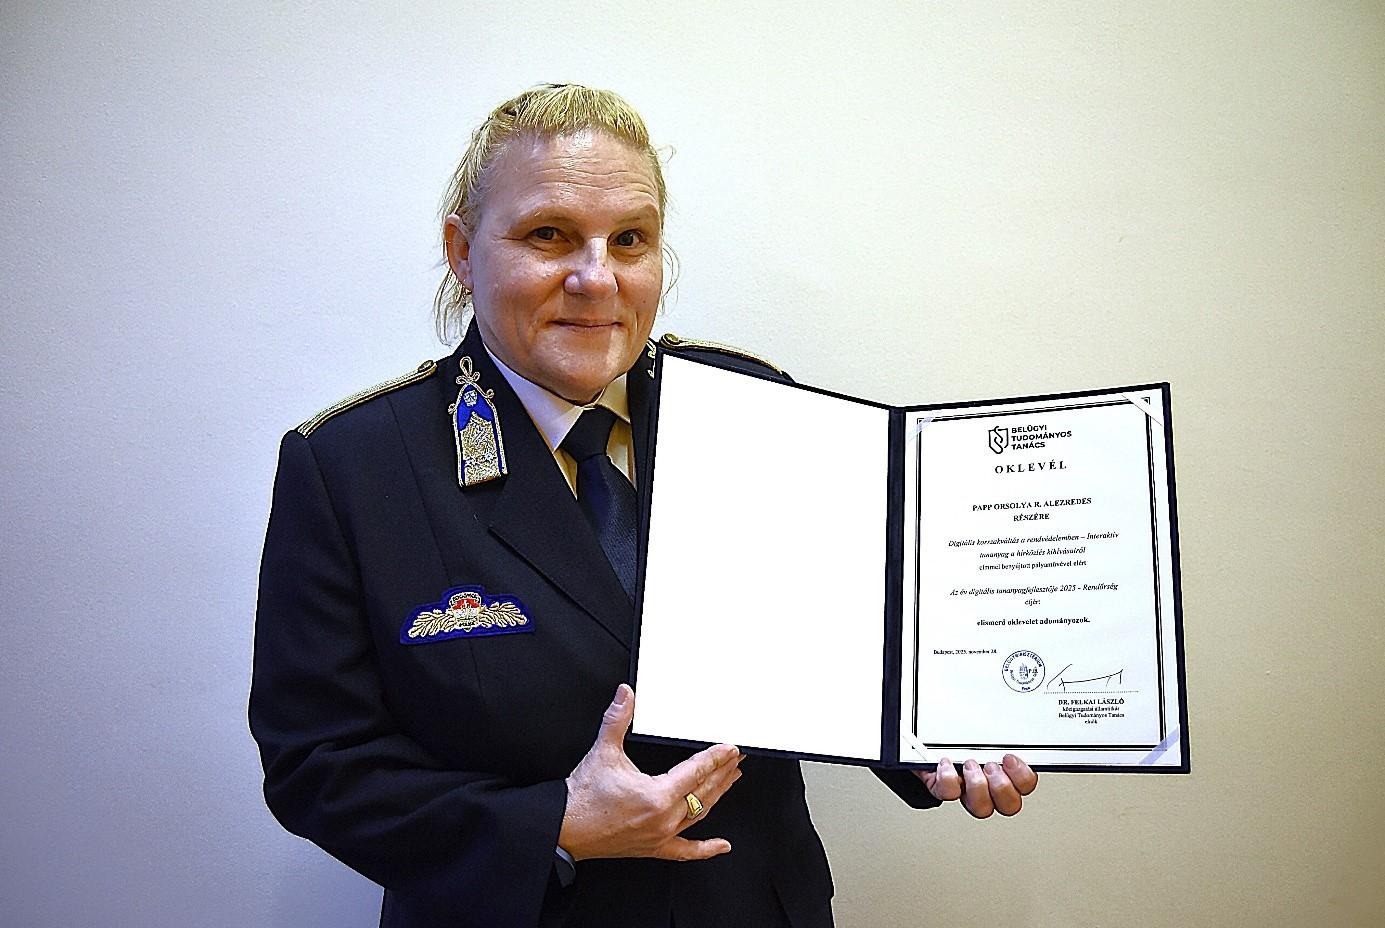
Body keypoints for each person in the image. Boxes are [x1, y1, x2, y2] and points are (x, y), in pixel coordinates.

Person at [250, 83, 1037, 928]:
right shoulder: (355, 466)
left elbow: (843, 631)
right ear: (461, 250)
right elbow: (319, 765)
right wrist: (553, 826)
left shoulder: (755, 412)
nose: (596, 279)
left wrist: (929, 731)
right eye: (548, 235)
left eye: (629, 239)